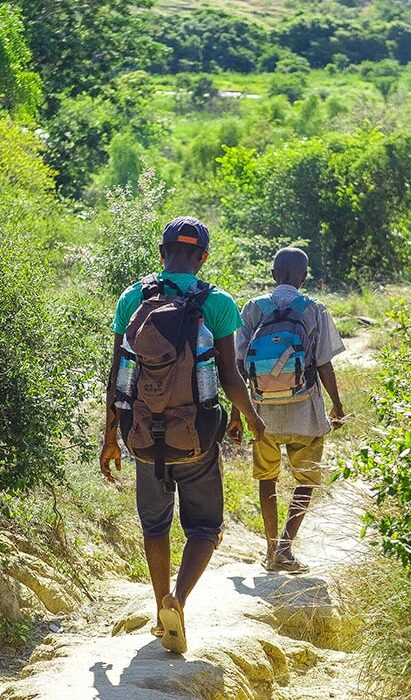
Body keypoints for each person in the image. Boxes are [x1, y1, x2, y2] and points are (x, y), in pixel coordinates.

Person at [99, 216, 264, 653]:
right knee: (205, 526)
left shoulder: (133, 297)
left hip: (141, 435)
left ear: (162, 252)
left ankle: (159, 608)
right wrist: (250, 418)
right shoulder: (219, 303)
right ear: (203, 257)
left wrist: (109, 437)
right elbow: (229, 375)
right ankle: (179, 600)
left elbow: (118, 373)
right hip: (197, 438)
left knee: (155, 524)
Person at [228, 247, 345, 573]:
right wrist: (336, 404)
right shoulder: (314, 309)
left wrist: (238, 413)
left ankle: (269, 551)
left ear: (272, 273)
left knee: (267, 478)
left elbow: (237, 365)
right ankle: (285, 548)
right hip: (304, 410)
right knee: (307, 480)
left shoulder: (253, 308)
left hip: (261, 413)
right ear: (303, 276)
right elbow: (324, 364)